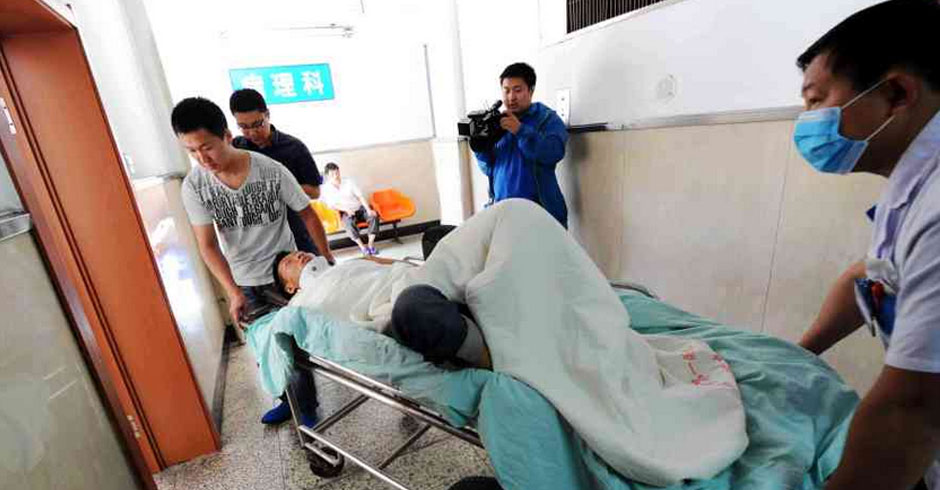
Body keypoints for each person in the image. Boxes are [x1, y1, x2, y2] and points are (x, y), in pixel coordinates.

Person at [792, 1, 940, 489]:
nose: (806, 122)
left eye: (816, 101)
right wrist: (797, 354)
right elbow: (872, 274)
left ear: (896, 93)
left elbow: (911, 410)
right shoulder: (912, 187)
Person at [172, 96, 334, 427]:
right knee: (264, 348)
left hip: (283, 274)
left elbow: (308, 214)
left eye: (207, 147)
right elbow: (207, 245)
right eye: (192, 151)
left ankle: (307, 409)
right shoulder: (195, 186)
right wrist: (233, 292)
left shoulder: (270, 170)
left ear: (226, 136)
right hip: (244, 281)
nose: (202, 158)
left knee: (292, 346)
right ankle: (286, 401)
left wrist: (327, 259)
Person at [471, 62, 569, 227]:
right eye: (506, 90)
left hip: (541, 215)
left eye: (517, 90)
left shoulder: (547, 119)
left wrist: (520, 130)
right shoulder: (497, 122)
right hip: (503, 214)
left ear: (531, 90)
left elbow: (554, 153)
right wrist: (480, 148)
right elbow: (489, 169)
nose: (511, 97)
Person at [229, 88, 326, 255]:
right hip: (259, 243)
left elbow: (315, 191)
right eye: (244, 127)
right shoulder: (236, 148)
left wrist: (278, 187)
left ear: (267, 114)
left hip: (297, 234)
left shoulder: (294, 148)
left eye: (257, 124)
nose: (252, 133)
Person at [320, 162, 381, 255]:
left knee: (374, 216)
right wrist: (346, 209)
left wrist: (368, 210)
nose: (336, 176)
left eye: (337, 173)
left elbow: (360, 197)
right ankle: (362, 247)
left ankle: (370, 245)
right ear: (328, 176)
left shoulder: (349, 182)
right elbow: (331, 205)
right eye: (332, 174)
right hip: (345, 212)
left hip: (359, 208)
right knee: (348, 225)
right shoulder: (326, 189)